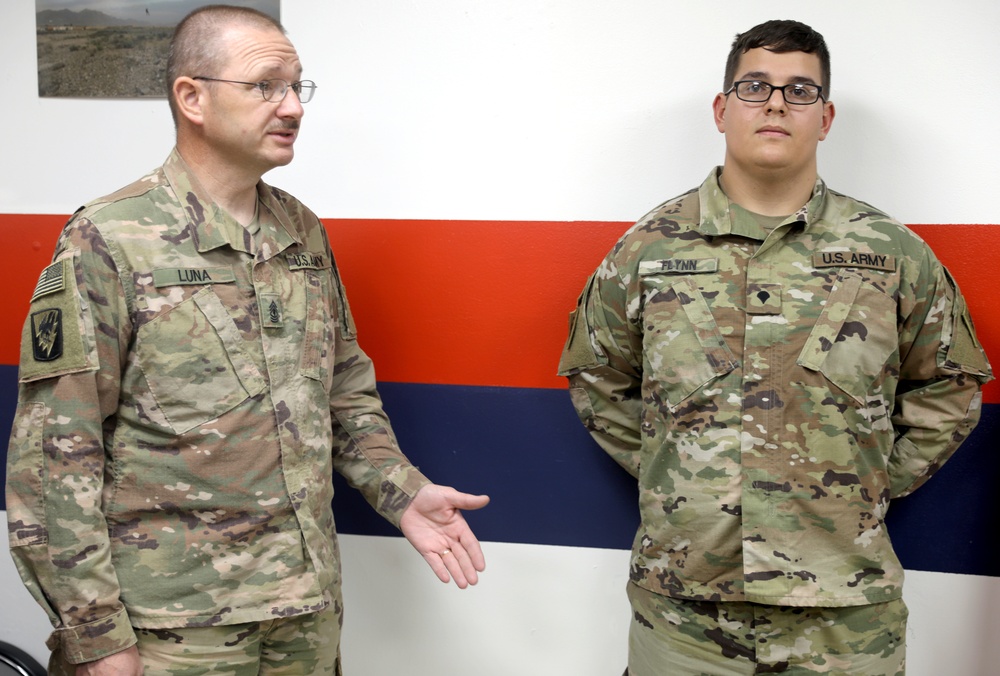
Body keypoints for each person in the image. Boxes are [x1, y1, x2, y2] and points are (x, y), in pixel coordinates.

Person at [6, 5, 489, 674]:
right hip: (172, 630)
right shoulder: (110, 238)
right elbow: (55, 458)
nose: (292, 105)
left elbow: (343, 393)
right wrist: (95, 638)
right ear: (192, 97)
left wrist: (400, 490)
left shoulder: (302, 232)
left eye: (298, 86)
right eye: (266, 85)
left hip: (303, 611)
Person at [558, 19, 992, 676]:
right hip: (685, 613)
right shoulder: (649, 250)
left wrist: (871, 481)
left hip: (845, 613)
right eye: (755, 86)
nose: (777, 104)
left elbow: (952, 381)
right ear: (722, 107)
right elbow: (596, 373)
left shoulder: (890, 253)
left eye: (800, 91)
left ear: (826, 116)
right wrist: (680, 472)